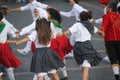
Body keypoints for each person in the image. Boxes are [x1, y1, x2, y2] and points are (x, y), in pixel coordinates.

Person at [58, 11, 103, 80]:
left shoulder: (77, 25)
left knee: (84, 67)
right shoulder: (90, 26)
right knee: (86, 67)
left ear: (80, 17)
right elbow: (99, 32)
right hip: (87, 46)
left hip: (77, 47)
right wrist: (103, 34)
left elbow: (69, 31)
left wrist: (63, 34)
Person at [47, 8, 73, 80]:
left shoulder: (50, 22)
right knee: (62, 57)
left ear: (51, 15)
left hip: (56, 41)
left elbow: (52, 34)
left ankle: (52, 76)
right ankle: (65, 75)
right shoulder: (57, 21)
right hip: (62, 40)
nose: (46, 14)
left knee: (54, 58)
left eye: (47, 13)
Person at [99, 2, 120, 80]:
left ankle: (117, 77)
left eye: (107, 7)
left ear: (110, 8)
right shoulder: (119, 16)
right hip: (119, 39)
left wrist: (102, 31)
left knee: (113, 59)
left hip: (110, 41)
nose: (106, 8)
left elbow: (104, 26)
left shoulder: (106, 16)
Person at [0, 11, 21, 80]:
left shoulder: (6, 25)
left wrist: (18, 35)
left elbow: (13, 34)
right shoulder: (6, 25)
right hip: (3, 47)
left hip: (3, 48)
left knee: (8, 65)